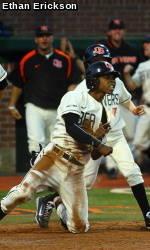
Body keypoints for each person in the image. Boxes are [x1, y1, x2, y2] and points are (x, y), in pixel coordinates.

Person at [35, 44, 150, 231]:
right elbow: (74, 122)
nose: (102, 64)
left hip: (115, 134)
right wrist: (90, 141)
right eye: (97, 61)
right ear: (88, 65)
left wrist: (133, 109)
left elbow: (124, 98)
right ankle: (51, 199)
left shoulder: (116, 82)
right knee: (85, 182)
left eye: (105, 60)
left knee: (132, 171)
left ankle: (147, 214)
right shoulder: (80, 91)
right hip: (93, 139)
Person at [0, 60, 115, 233]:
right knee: (22, 194)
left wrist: (98, 144)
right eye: (107, 77)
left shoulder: (103, 112)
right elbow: (71, 126)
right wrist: (97, 142)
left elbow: (94, 155)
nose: (112, 81)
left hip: (75, 171)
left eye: (112, 77)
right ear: (93, 80)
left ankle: (59, 207)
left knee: (79, 227)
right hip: (54, 158)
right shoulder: (75, 96)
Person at [8, 25, 78, 159]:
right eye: (41, 36)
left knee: (57, 144)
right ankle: (38, 176)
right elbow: (18, 84)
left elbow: (73, 83)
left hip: (58, 109)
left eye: (47, 35)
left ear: (52, 38)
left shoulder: (65, 59)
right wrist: (12, 105)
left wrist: (70, 104)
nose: (44, 39)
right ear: (36, 39)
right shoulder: (26, 60)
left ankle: (52, 177)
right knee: (36, 143)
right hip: (34, 107)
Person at [100, 18, 141, 177]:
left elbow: (136, 82)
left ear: (123, 31)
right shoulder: (103, 49)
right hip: (109, 98)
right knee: (111, 133)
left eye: (120, 28)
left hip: (127, 97)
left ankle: (125, 166)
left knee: (130, 134)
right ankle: (111, 167)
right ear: (109, 31)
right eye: (114, 29)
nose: (117, 31)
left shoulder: (131, 50)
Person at [123, 35, 150, 164]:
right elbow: (133, 85)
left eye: (148, 44)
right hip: (147, 108)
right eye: (145, 44)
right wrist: (126, 74)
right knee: (138, 142)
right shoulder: (143, 66)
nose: (145, 46)